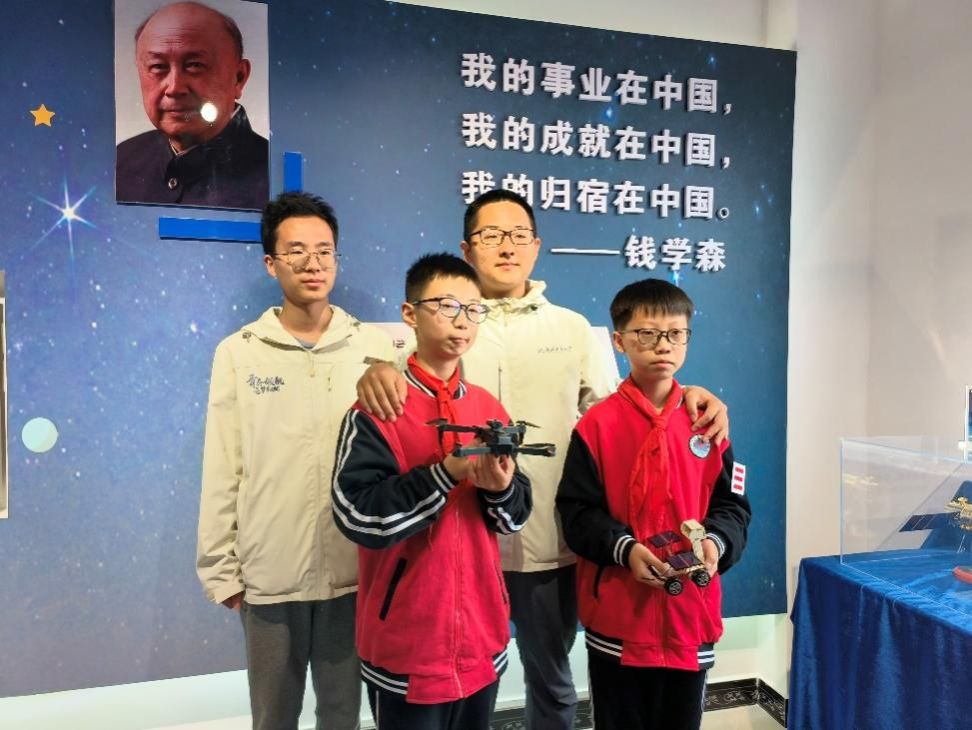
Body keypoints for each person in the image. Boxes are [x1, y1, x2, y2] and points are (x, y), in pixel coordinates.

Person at [355, 189, 729, 730]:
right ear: (467, 248)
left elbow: (623, 416)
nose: (506, 247)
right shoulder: (453, 319)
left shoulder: (572, 329)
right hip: (457, 542)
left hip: (547, 541)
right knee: (461, 682)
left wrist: (689, 393)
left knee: (552, 682)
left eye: (518, 236)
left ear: (536, 246)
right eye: (491, 236)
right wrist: (374, 371)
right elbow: (405, 380)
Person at [197, 191, 394, 730]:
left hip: (352, 572)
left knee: (342, 715)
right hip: (269, 574)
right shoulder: (240, 352)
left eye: (324, 251)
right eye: (297, 251)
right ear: (271, 263)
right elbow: (224, 463)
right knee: (273, 717)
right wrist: (221, 568)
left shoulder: (375, 349)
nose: (313, 264)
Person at [332, 253, 532, 730]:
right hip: (407, 645)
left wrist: (501, 489)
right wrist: (443, 475)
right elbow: (357, 515)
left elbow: (515, 516)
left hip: (482, 637)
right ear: (410, 314)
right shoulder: (379, 406)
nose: (462, 321)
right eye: (446, 306)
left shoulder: (487, 406)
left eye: (473, 309)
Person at [556, 278, 751, 730]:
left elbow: (734, 506)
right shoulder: (596, 425)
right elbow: (577, 513)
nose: (662, 345)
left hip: (690, 616)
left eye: (675, 333)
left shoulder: (709, 422)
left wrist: (716, 544)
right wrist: (625, 549)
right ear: (619, 341)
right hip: (619, 618)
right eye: (646, 333)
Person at [117, 1, 268, 209]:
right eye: (158, 66)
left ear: (239, 77)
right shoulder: (122, 160)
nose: (174, 88)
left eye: (195, 65)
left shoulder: (272, 180)